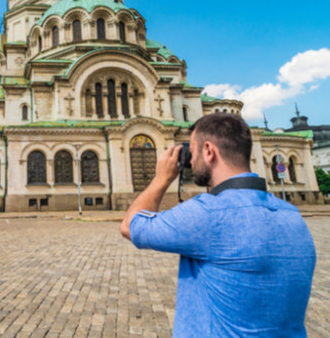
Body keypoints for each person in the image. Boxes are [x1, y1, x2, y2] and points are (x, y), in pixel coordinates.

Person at [120, 113, 316, 337]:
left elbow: (130, 225)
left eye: (191, 152)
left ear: (209, 151)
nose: (190, 161)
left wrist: (161, 178)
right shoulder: (292, 215)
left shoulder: (207, 214)